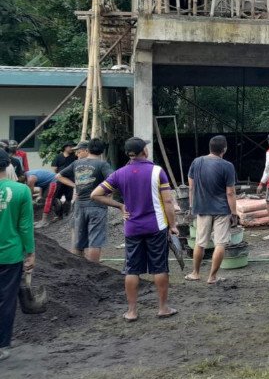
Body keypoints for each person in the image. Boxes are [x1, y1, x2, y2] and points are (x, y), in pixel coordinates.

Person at [91, 137, 179, 322]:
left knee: (131, 269)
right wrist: (173, 225)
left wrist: (120, 206)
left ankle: (132, 312)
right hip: (156, 226)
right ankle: (163, 308)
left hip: (132, 228)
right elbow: (168, 201)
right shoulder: (157, 171)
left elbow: (96, 194)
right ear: (144, 151)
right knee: (160, 267)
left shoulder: (119, 173)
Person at [185, 135, 237, 285]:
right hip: (222, 210)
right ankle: (212, 277)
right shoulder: (227, 166)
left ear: (210, 148)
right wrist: (234, 213)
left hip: (202, 208)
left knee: (200, 242)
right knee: (220, 243)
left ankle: (195, 273)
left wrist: (191, 206)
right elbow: (230, 193)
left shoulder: (197, 162)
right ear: (224, 149)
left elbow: (191, 187)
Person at [0, 148, 35, 361]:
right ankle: (2, 345)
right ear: (8, 165)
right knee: (6, 300)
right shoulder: (21, 191)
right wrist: (30, 252)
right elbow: (25, 227)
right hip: (10, 255)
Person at [56, 138, 114, 262]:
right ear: (102, 150)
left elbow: (58, 175)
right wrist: (107, 193)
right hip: (97, 205)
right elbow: (113, 180)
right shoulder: (103, 164)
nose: (77, 153)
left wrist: (75, 186)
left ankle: (78, 268)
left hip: (79, 205)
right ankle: (94, 269)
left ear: (88, 149)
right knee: (95, 240)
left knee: (78, 241)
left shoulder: (76, 163)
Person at [51, 142, 77, 218]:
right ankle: (58, 215)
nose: (72, 148)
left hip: (70, 180)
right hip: (60, 180)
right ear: (65, 147)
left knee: (69, 198)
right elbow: (54, 168)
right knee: (56, 197)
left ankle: (67, 214)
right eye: (70, 146)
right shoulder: (58, 157)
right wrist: (59, 175)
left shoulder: (74, 156)